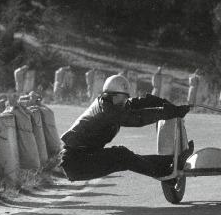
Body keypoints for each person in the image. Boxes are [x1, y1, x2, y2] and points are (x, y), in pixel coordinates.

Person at [59, 74, 194, 181]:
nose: (125, 102)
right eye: (122, 98)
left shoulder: (113, 103)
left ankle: (168, 162)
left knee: (127, 158)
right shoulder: (107, 111)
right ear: (110, 95)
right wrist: (166, 113)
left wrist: (170, 106)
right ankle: (165, 173)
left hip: (87, 156)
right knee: (121, 155)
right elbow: (136, 118)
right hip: (75, 163)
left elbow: (139, 103)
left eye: (125, 98)